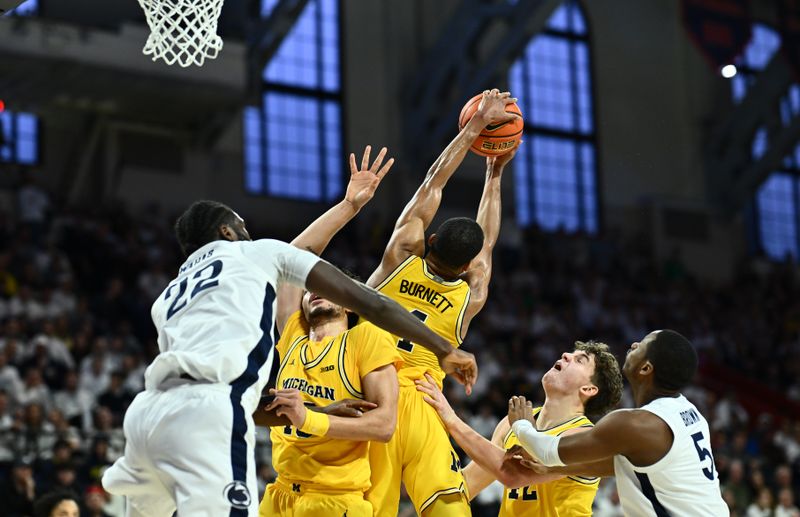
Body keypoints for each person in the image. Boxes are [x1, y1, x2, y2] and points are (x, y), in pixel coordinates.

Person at [101, 196, 477, 517]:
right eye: (242, 226)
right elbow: (367, 298)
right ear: (227, 233)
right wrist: (444, 347)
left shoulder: (168, 295)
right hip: (225, 428)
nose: (248, 233)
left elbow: (248, 406)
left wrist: (312, 417)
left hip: (148, 416)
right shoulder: (258, 263)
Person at [365, 88, 519, 516]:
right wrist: (494, 174)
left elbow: (432, 184)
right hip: (427, 402)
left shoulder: (399, 258)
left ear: (429, 240)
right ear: (469, 265)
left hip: (373, 396)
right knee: (447, 508)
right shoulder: (471, 292)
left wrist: (475, 127)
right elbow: (486, 244)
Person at [253, 145, 403, 516]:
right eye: (311, 288)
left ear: (350, 304)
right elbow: (294, 256)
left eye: (331, 287)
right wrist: (350, 205)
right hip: (280, 494)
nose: (315, 290)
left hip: (334, 500)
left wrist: (311, 419)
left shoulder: (365, 339)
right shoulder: (293, 336)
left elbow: (384, 424)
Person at [507, 330, 729, 516]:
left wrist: (522, 426)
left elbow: (549, 450)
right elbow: (620, 465)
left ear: (645, 369)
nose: (633, 344)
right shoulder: (690, 412)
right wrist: (552, 469)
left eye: (641, 345)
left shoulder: (636, 424)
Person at [417, 340, 623, 516]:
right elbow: (468, 484)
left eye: (580, 360)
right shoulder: (511, 423)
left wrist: (451, 419)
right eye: (571, 353)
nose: (566, 355)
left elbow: (515, 476)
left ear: (588, 389)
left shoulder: (584, 436)